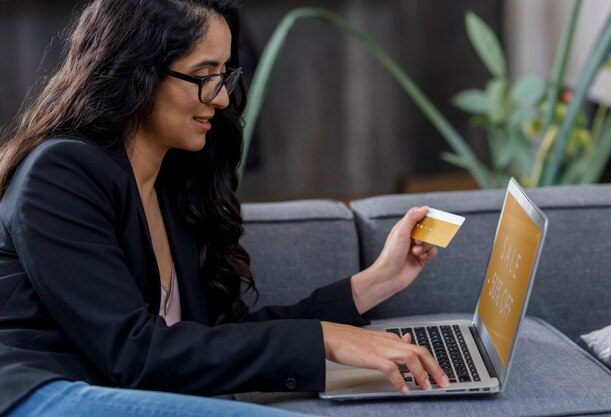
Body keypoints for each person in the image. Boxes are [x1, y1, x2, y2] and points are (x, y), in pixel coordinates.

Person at [0, 0, 448, 416]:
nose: (222, 98)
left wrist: (374, 283)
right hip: (40, 391)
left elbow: (218, 341)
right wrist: (323, 339)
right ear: (136, 73)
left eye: (225, 75)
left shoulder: (175, 186)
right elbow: (133, 355)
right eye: (204, 75)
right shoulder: (61, 172)